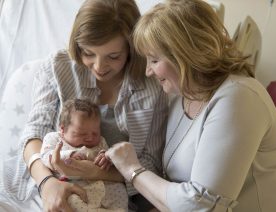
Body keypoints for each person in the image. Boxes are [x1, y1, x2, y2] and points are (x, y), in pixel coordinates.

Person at [104, 0, 276, 211]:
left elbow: (201, 204)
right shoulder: (182, 96)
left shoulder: (239, 97)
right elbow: (175, 185)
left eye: (154, 60)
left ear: (183, 55)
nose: (148, 72)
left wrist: (132, 169)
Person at [0, 0, 168, 211]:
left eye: (113, 56)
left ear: (131, 50)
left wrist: (94, 172)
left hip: (110, 195)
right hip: (46, 181)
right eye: (88, 53)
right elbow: (34, 134)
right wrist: (47, 183)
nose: (99, 67)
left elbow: (150, 164)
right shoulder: (57, 67)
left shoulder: (152, 87)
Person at [40, 98, 128, 211]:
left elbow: (107, 157)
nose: (90, 138)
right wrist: (69, 155)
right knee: (71, 201)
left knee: (120, 191)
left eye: (95, 133)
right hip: (75, 188)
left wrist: (105, 158)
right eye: (82, 134)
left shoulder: (100, 141)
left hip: (103, 186)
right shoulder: (54, 138)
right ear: (62, 129)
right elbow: (46, 156)